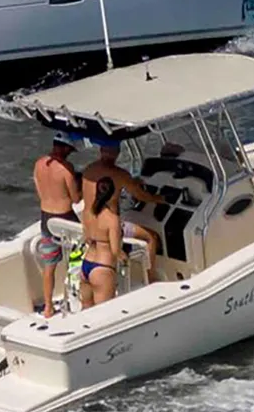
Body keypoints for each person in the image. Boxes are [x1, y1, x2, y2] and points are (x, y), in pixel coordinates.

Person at [81, 139, 165, 283]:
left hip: (89, 226)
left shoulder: (88, 170)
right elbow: (141, 196)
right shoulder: (120, 174)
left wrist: (133, 182)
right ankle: (151, 279)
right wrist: (159, 199)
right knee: (151, 238)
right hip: (110, 231)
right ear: (117, 152)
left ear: (101, 150)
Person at [32, 131, 82, 318]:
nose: (70, 153)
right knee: (81, 256)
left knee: (49, 265)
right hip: (65, 218)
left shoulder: (38, 164)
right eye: (69, 149)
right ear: (65, 147)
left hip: (46, 218)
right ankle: (80, 298)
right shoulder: (66, 169)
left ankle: (47, 307)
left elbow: (40, 191)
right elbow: (76, 199)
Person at [79, 176, 125, 308]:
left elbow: (87, 238)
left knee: (86, 310)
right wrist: (125, 258)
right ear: (112, 195)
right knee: (103, 312)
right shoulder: (112, 219)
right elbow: (115, 250)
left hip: (86, 264)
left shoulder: (87, 214)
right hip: (103, 267)